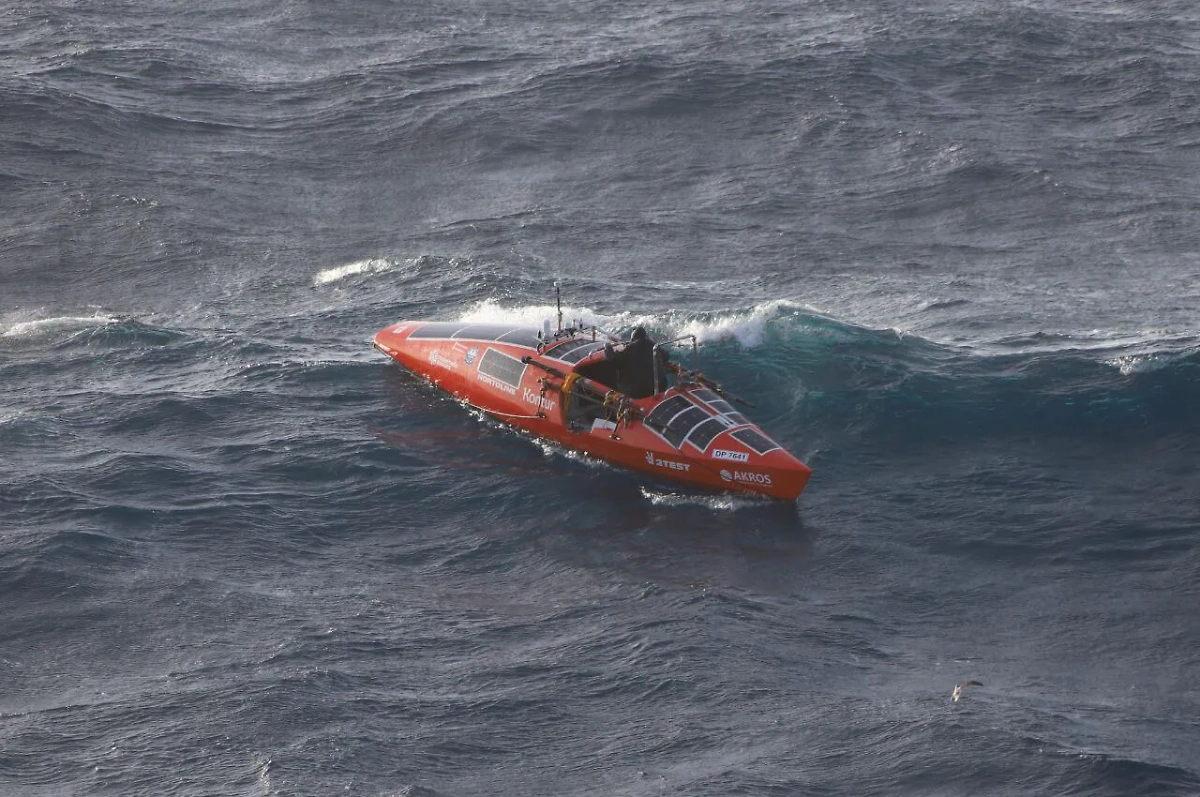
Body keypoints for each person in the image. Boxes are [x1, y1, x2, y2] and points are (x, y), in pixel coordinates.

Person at [612, 326, 669, 399]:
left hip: (636, 393)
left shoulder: (629, 349)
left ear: (632, 339)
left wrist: (607, 348)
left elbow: (615, 361)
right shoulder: (654, 346)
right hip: (659, 388)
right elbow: (666, 356)